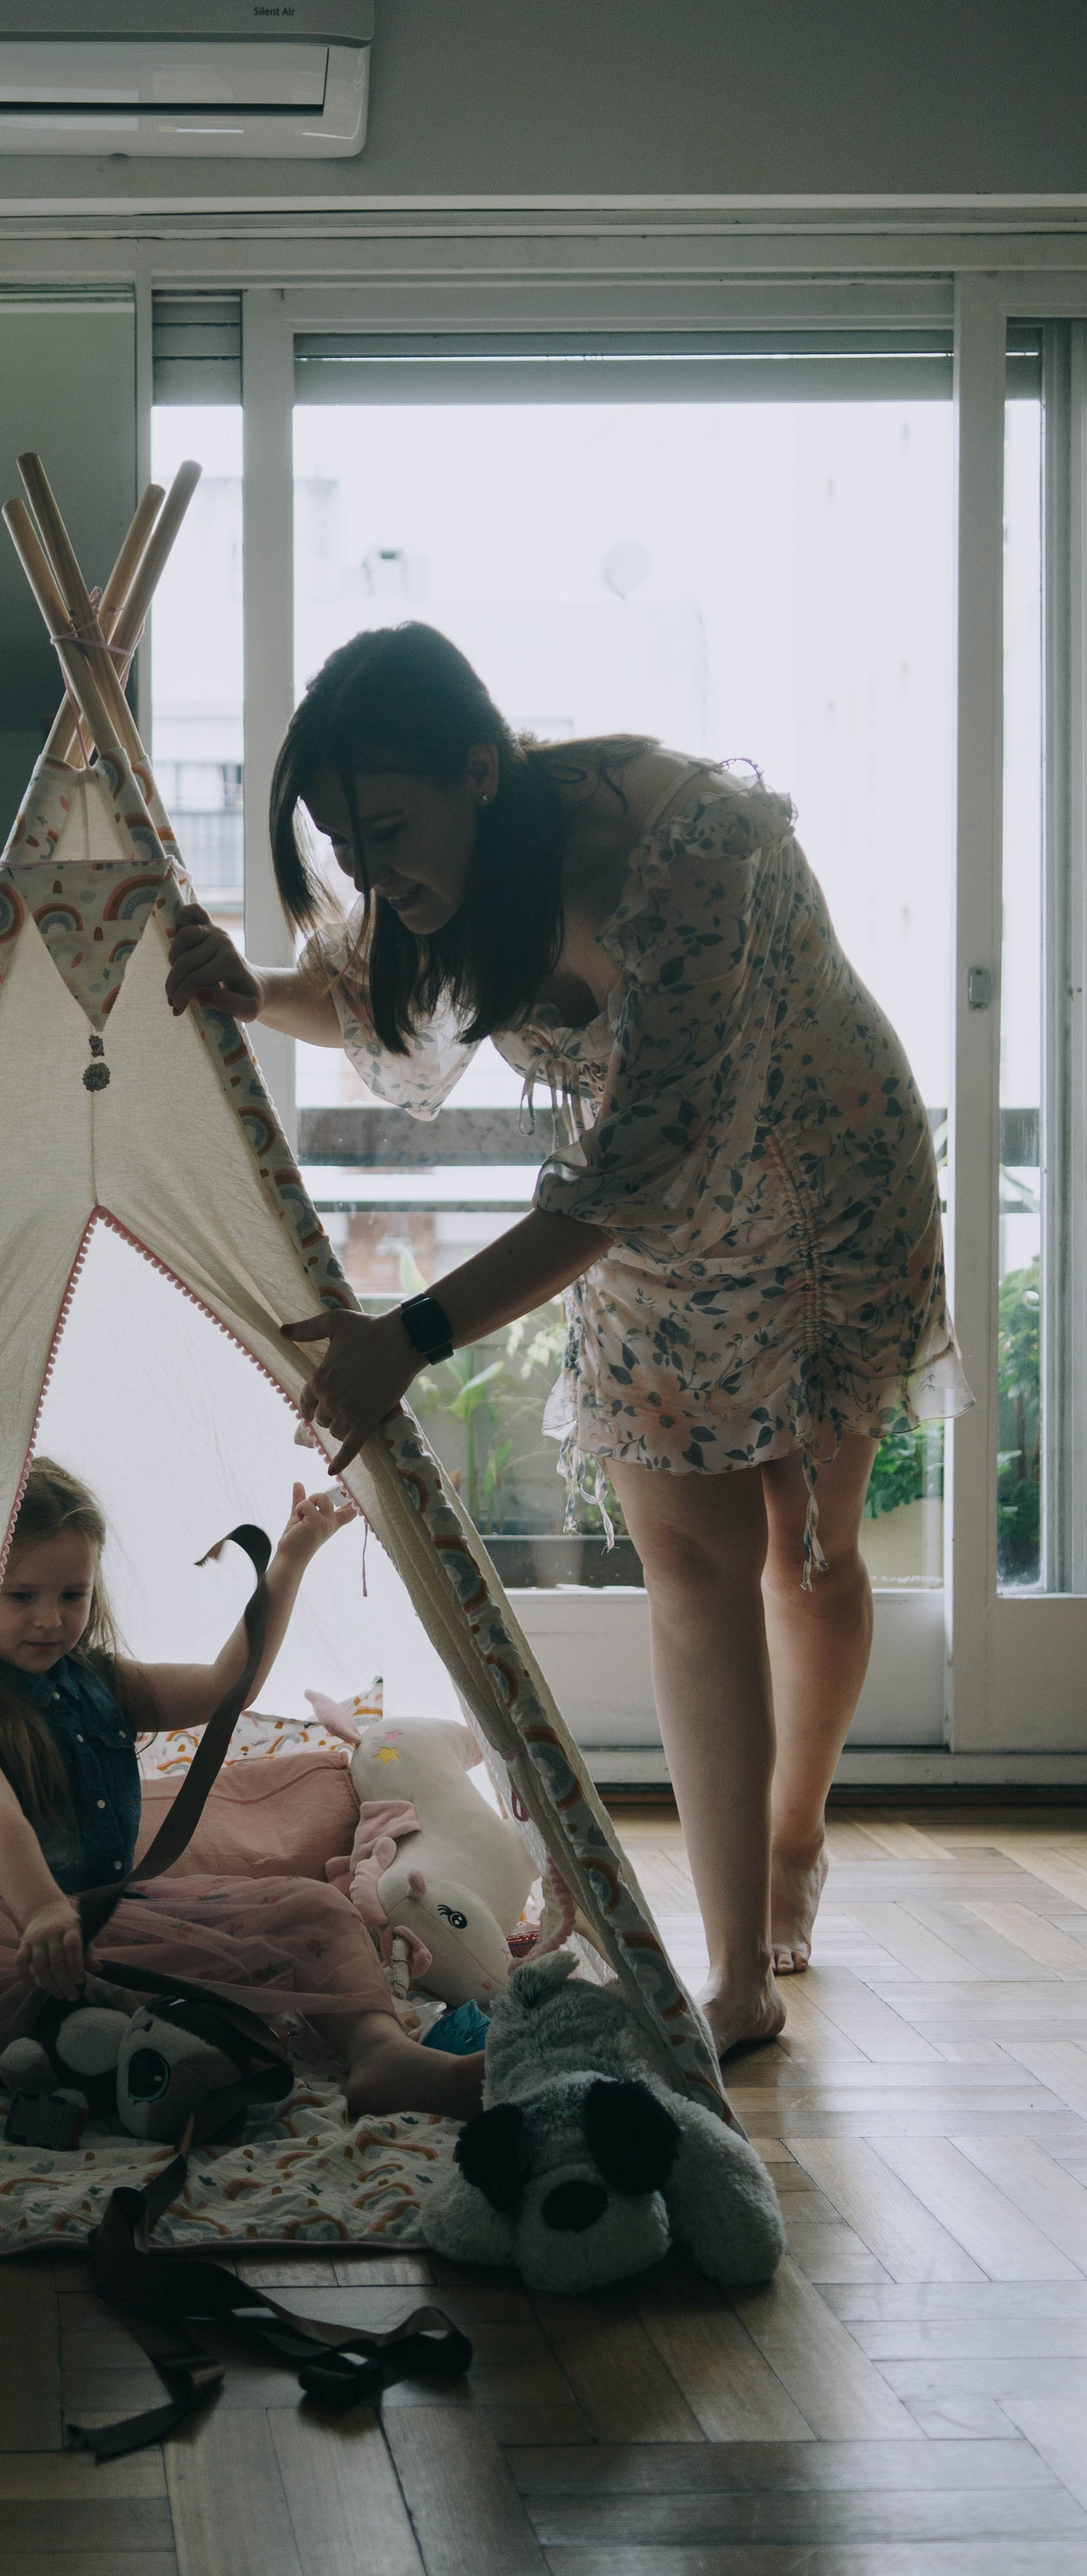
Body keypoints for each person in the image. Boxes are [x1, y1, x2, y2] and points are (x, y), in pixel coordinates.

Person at [163, 623, 968, 2058]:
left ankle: (796, 1830)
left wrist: (407, 1334)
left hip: (819, 1188)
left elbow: (639, 1161)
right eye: (346, 847)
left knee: (812, 1550)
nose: (374, 873)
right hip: (652, 1247)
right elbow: (366, 1000)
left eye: (390, 831)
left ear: (483, 769)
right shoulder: (446, 879)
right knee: (697, 1575)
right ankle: (736, 1977)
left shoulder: (695, 853)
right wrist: (246, 988)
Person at [0, 1456, 485, 2121]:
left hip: (112, 1921)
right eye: (21, 1596)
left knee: (313, 1909)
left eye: (72, 1594)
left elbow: (221, 1688)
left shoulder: (101, 1680)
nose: (50, 1620)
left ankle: (381, 2054)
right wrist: (40, 1911)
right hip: (11, 1931)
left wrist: (288, 1563)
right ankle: (139, 2046)